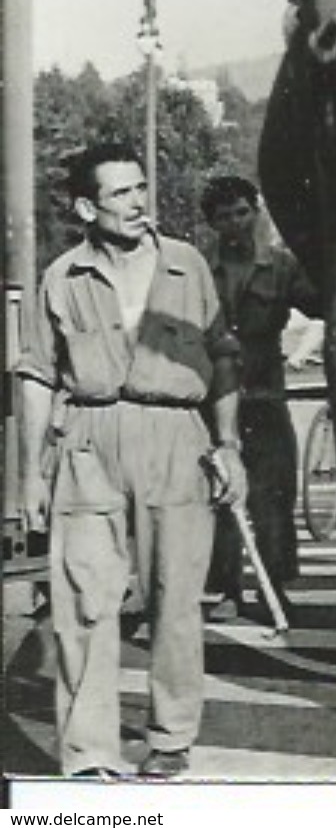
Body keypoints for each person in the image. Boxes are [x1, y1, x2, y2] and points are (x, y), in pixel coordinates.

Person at [18, 141, 246, 778]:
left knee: (175, 596)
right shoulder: (61, 277)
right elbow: (37, 373)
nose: (139, 202)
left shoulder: (187, 265)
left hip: (177, 437)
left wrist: (228, 445)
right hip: (88, 441)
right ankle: (89, 757)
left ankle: (170, 738)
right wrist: (31, 473)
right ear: (88, 207)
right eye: (121, 193)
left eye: (141, 188)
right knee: (85, 600)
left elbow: (224, 356)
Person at [200, 175, 320, 625]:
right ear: (211, 223)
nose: (235, 222)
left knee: (273, 499)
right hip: (212, 401)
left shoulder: (282, 266)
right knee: (219, 497)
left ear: (256, 211)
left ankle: (275, 589)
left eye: (242, 211)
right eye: (223, 215)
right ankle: (226, 589)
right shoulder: (197, 269)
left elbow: (320, 303)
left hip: (265, 396)